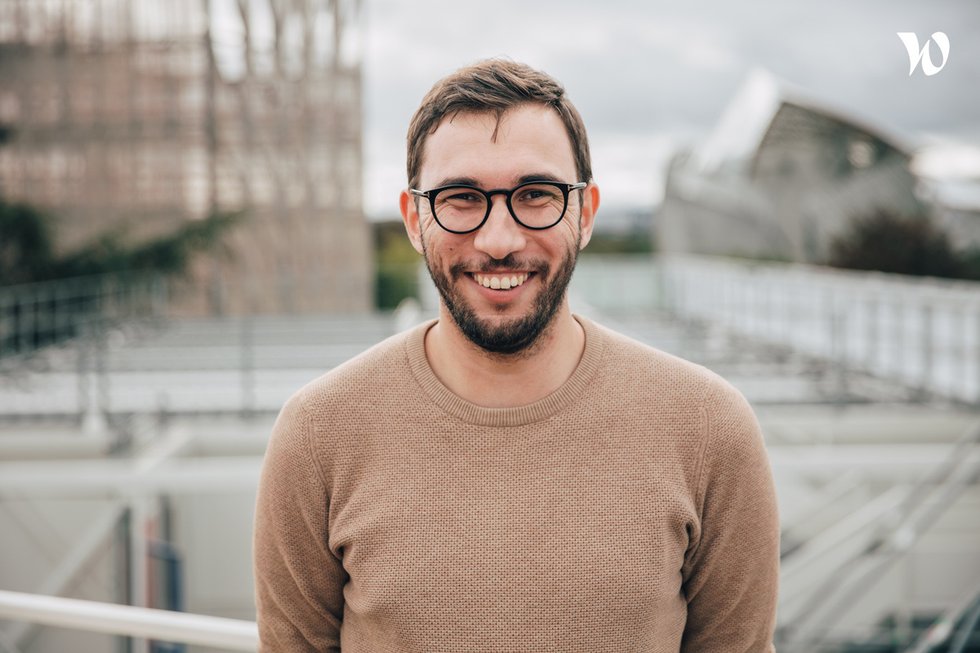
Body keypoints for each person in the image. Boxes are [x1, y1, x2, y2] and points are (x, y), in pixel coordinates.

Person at [253, 59, 779, 652]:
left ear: (584, 213)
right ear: (413, 219)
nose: (499, 241)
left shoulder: (708, 429)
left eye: (535, 195)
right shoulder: (319, 435)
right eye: (459, 197)